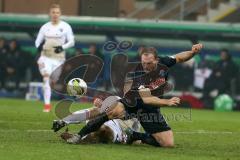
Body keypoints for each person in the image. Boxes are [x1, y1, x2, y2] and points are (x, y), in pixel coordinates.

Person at [57, 44, 203, 147]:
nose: (145, 66)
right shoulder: (140, 74)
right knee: (113, 111)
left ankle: (134, 135)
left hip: (150, 109)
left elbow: (180, 57)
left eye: (149, 63)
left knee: (168, 144)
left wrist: (193, 52)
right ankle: (79, 135)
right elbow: (147, 99)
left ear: (157, 60)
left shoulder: (164, 63)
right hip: (134, 103)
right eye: (143, 62)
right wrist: (167, 102)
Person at [35, 4, 75, 112]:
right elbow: (37, 41)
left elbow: (72, 42)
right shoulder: (45, 27)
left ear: (60, 14)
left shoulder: (66, 26)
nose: (55, 15)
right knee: (46, 77)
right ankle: (47, 105)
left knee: (53, 81)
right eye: (53, 12)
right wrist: (39, 48)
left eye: (57, 12)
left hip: (59, 59)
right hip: (46, 57)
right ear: (50, 14)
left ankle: (50, 88)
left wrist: (62, 47)